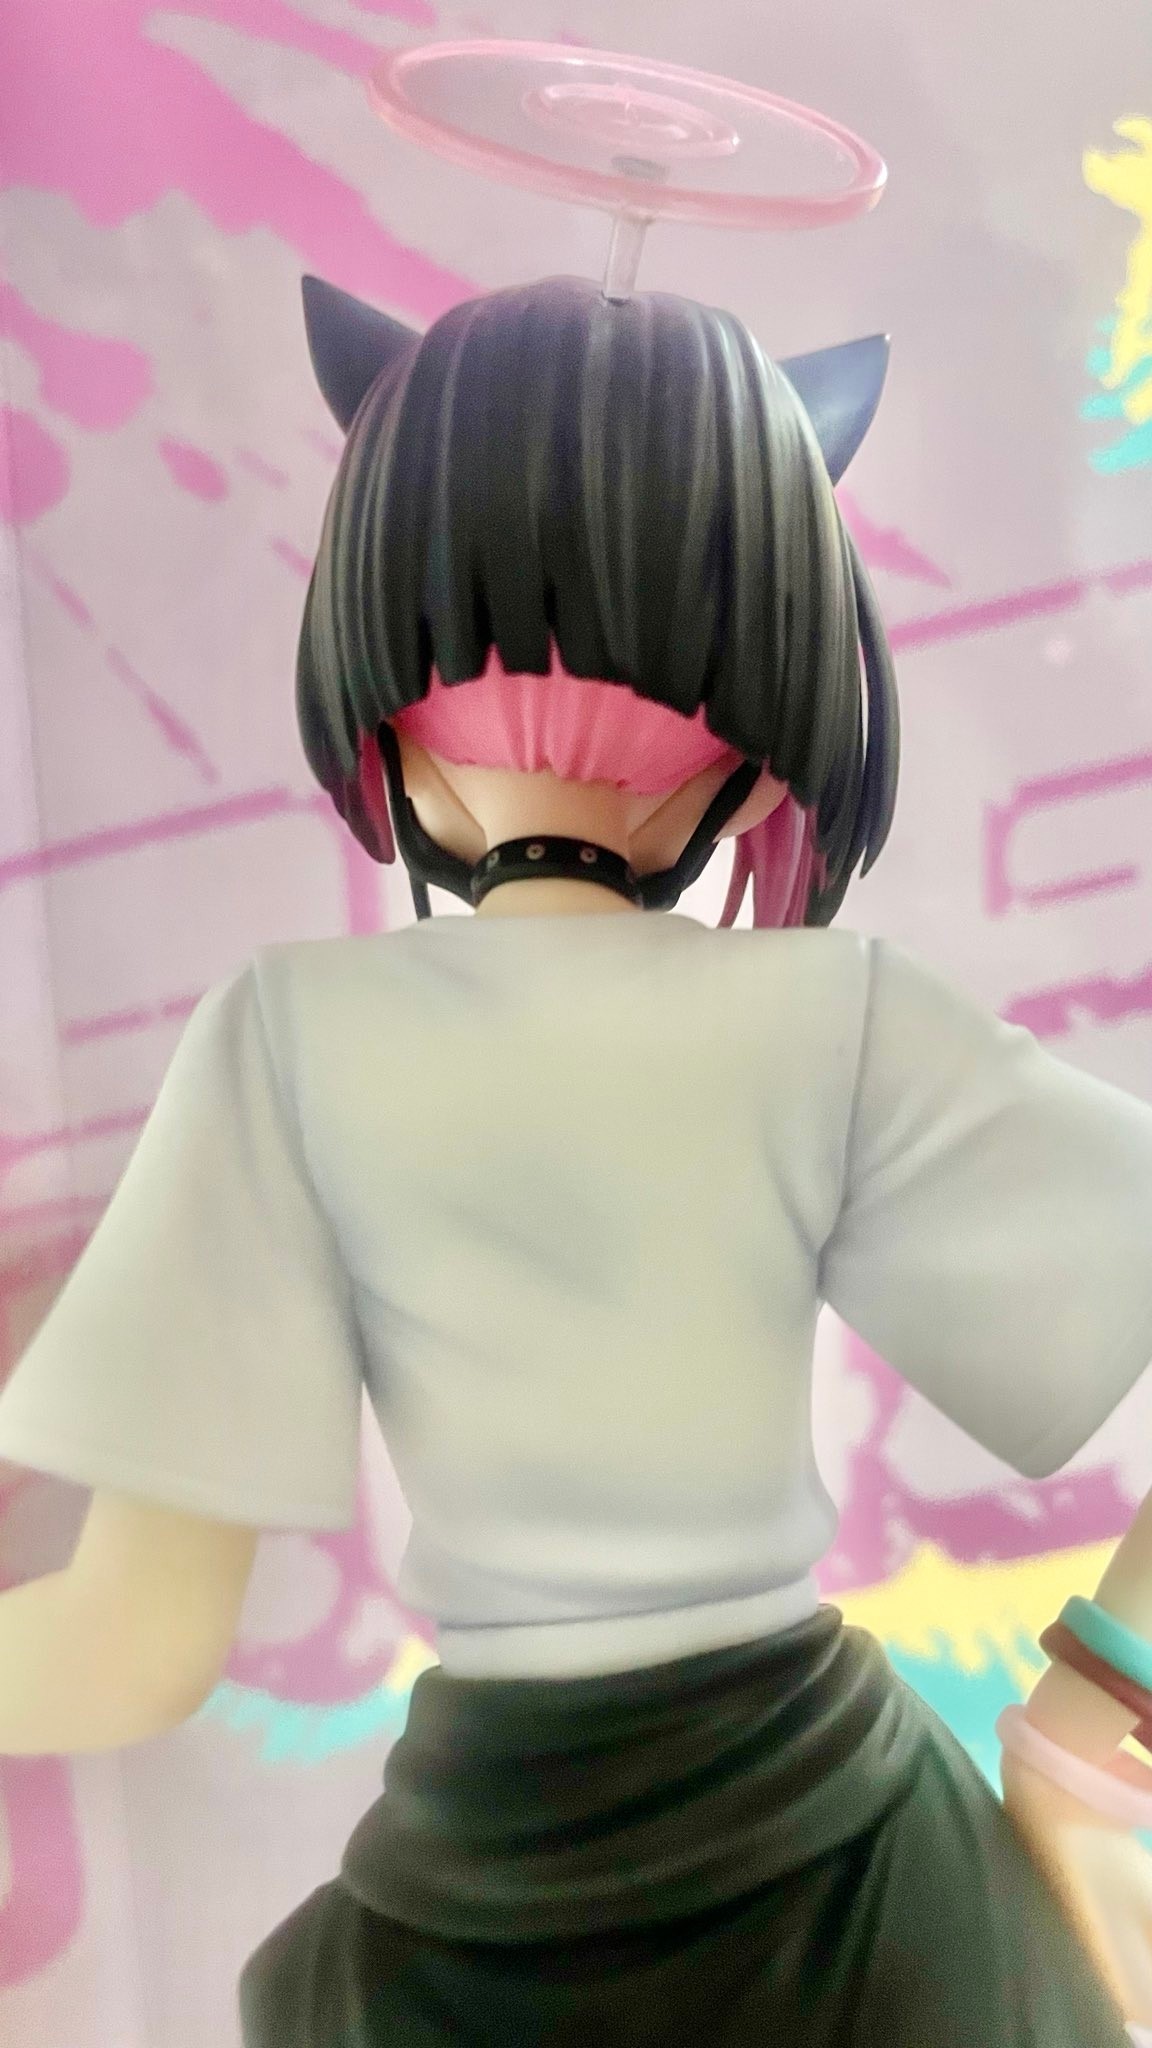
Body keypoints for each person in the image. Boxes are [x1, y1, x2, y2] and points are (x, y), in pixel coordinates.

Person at [1, 272, 1151, 2046]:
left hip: (488, 1934)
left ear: (381, 685)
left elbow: (134, 1645)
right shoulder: (823, 1021)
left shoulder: (292, 1040)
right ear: (759, 744)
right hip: (873, 1907)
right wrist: (1091, 1731)